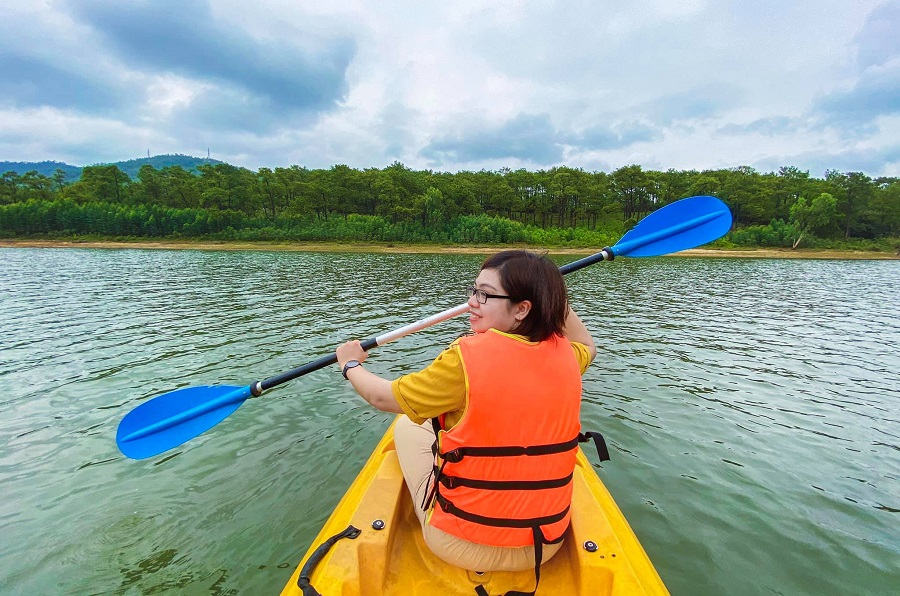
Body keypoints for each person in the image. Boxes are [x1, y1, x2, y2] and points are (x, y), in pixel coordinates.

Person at [335, 250, 598, 590]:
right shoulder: (568, 355)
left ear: (522, 308)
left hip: (462, 545)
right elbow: (587, 344)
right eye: (474, 290)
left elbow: (382, 397)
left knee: (406, 424)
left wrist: (350, 364)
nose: (472, 302)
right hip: (544, 545)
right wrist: (550, 292)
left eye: (485, 295)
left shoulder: (464, 360)